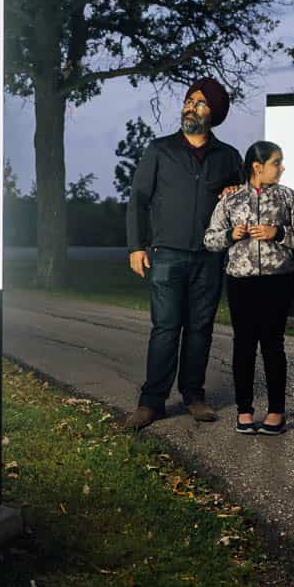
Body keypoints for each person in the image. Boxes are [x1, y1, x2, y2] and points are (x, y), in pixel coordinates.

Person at [124, 78, 242, 431]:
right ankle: (151, 403)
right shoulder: (160, 150)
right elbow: (138, 201)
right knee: (165, 328)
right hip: (166, 254)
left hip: (209, 255)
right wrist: (135, 247)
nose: (191, 106)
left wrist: (234, 194)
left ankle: (193, 395)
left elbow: (240, 205)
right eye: (189, 100)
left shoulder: (229, 157)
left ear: (214, 114)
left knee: (200, 329)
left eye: (201, 103)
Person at [203, 142, 294, 435]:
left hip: (277, 281)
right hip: (240, 282)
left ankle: (276, 412)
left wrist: (277, 233)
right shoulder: (230, 201)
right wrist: (231, 234)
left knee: (273, 345)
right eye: (276, 163)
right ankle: (244, 411)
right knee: (243, 345)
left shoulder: (288, 198)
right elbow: (209, 241)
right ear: (257, 166)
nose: (281, 168)